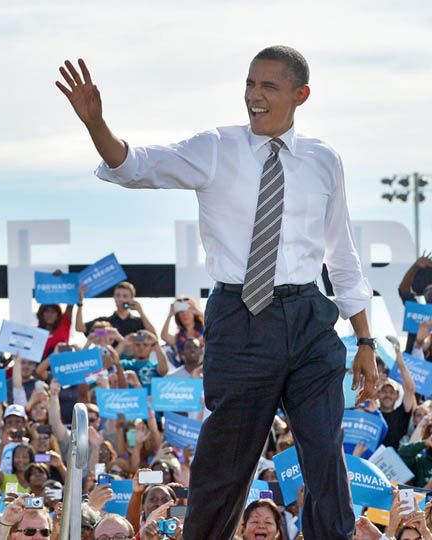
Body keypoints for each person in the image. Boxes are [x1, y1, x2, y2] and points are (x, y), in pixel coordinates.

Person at [57, 46, 378, 539]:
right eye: (250, 84)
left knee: (324, 457)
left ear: (300, 95)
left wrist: (365, 340)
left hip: (312, 319)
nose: (254, 95)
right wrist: (96, 125)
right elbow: (134, 165)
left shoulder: (324, 160)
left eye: (268, 86)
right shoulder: (215, 148)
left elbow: (343, 254)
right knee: (224, 470)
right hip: (242, 317)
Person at [76, 281, 156, 338]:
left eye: (125, 296)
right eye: (117, 295)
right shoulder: (106, 323)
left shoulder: (138, 323)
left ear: (131, 299)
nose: (120, 299)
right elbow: (80, 328)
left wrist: (141, 312)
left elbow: (153, 336)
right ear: (114, 297)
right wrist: (80, 303)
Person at [398, 252, 432, 353]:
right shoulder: (416, 309)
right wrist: (415, 267)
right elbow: (403, 290)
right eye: (429, 291)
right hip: (414, 364)